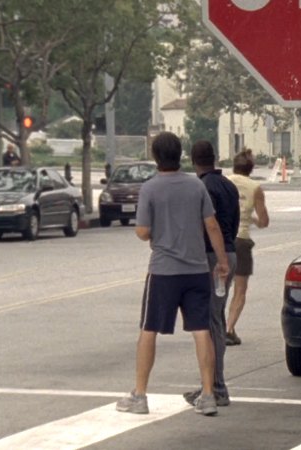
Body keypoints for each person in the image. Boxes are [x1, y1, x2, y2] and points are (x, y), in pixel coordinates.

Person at [116, 132, 230, 417]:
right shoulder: (195, 186)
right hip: (196, 269)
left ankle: (140, 394)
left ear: (155, 157)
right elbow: (212, 226)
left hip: (164, 271)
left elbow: (142, 232)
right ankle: (207, 394)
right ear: (181, 156)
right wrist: (222, 261)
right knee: (201, 329)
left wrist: (159, 231)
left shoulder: (151, 189)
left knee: (149, 330)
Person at [183, 140, 240, 408]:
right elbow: (235, 221)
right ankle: (210, 385)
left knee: (210, 320)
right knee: (213, 317)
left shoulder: (201, 187)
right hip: (229, 253)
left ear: (193, 161)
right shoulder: (228, 185)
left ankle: (216, 387)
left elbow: (206, 225)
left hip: (212, 258)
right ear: (214, 158)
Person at [226, 149, 270, 346]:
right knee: (240, 289)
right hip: (241, 241)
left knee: (219, 287)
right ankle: (229, 328)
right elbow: (264, 221)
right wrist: (251, 218)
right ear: (251, 168)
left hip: (223, 238)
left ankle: (215, 326)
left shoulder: (225, 182)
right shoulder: (255, 188)